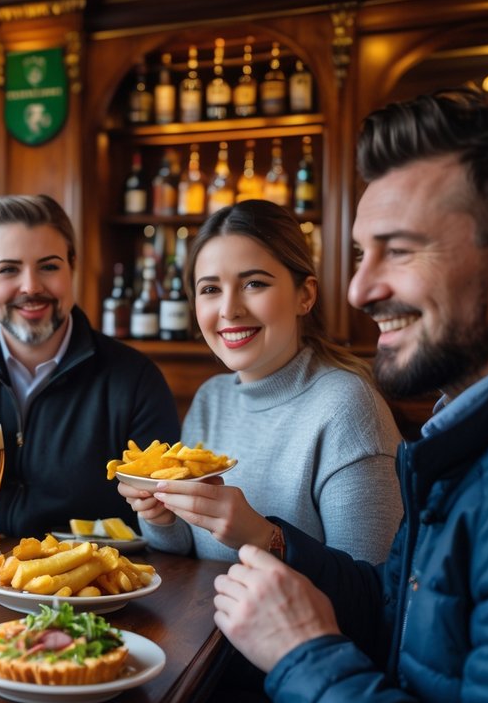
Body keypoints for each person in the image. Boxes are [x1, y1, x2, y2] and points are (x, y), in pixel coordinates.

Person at [157, 86, 488, 703]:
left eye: (399, 250)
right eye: (359, 254)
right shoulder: (450, 443)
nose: (359, 289)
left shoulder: (353, 406)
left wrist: (301, 648)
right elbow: (385, 605)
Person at [119, 200, 402, 564]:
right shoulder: (211, 400)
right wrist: (159, 517)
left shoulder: (348, 407)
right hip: (211, 619)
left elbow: (374, 592)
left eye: (253, 283)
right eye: (210, 289)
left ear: (305, 295)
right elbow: (186, 551)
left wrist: (264, 537)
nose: (229, 309)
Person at [0, 194, 180, 538]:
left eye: (49, 266)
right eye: (9, 269)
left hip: (91, 586)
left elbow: (166, 525)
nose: (31, 287)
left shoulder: (136, 379)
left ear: (73, 267)